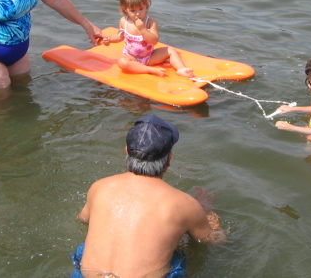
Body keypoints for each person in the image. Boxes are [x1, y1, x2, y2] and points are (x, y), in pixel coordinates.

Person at [73, 115, 226, 278]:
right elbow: (214, 240)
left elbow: (83, 219)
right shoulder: (184, 204)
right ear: (169, 159)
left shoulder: (100, 187)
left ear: (126, 151)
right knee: (182, 251)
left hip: (85, 275)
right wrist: (207, 212)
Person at [101, 0, 194, 78]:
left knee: (171, 50)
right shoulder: (123, 21)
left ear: (146, 6)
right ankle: (151, 70)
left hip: (149, 56)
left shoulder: (150, 22)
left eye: (141, 9)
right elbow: (120, 36)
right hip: (131, 57)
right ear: (125, 9)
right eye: (133, 11)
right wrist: (109, 39)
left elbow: (154, 41)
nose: (138, 13)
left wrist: (143, 29)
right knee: (122, 62)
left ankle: (181, 69)